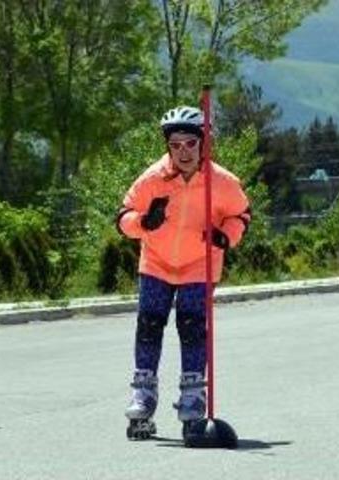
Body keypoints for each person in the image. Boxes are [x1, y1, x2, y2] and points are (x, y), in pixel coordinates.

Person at [116, 106, 251, 439]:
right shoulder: (152, 178)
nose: (183, 152)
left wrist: (225, 236)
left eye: (190, 144)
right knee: (149, 325)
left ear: (203, 143)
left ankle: (193, 394)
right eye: (175, 145)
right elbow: (123, 217)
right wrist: (143, 223)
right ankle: (143, 392)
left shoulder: (222, 182)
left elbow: (242, 215)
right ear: (167, 146)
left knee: (192, 327)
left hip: (199, 264)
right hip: (156, 263)